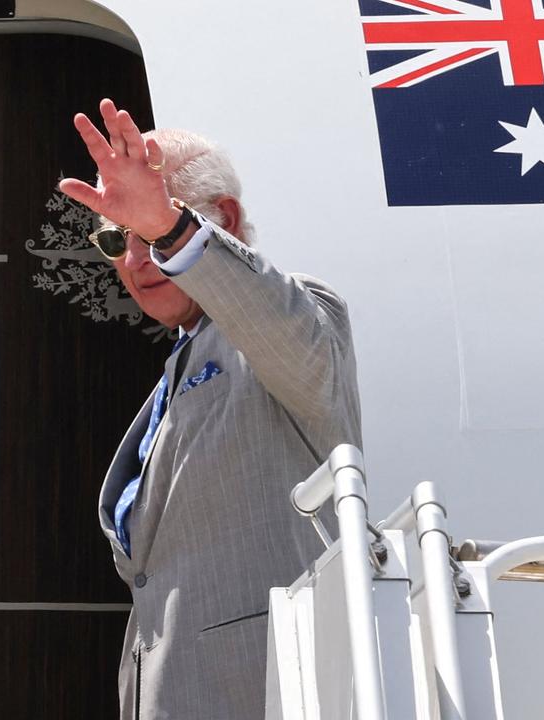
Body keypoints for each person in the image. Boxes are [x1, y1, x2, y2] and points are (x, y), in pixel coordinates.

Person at [59, 99, 362, 719]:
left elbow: (285, 328)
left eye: (153, 234)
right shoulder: (180, 363)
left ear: (221, 218)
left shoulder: (295, 317)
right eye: (121, 238)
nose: (136, 262)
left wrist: (172, 228)